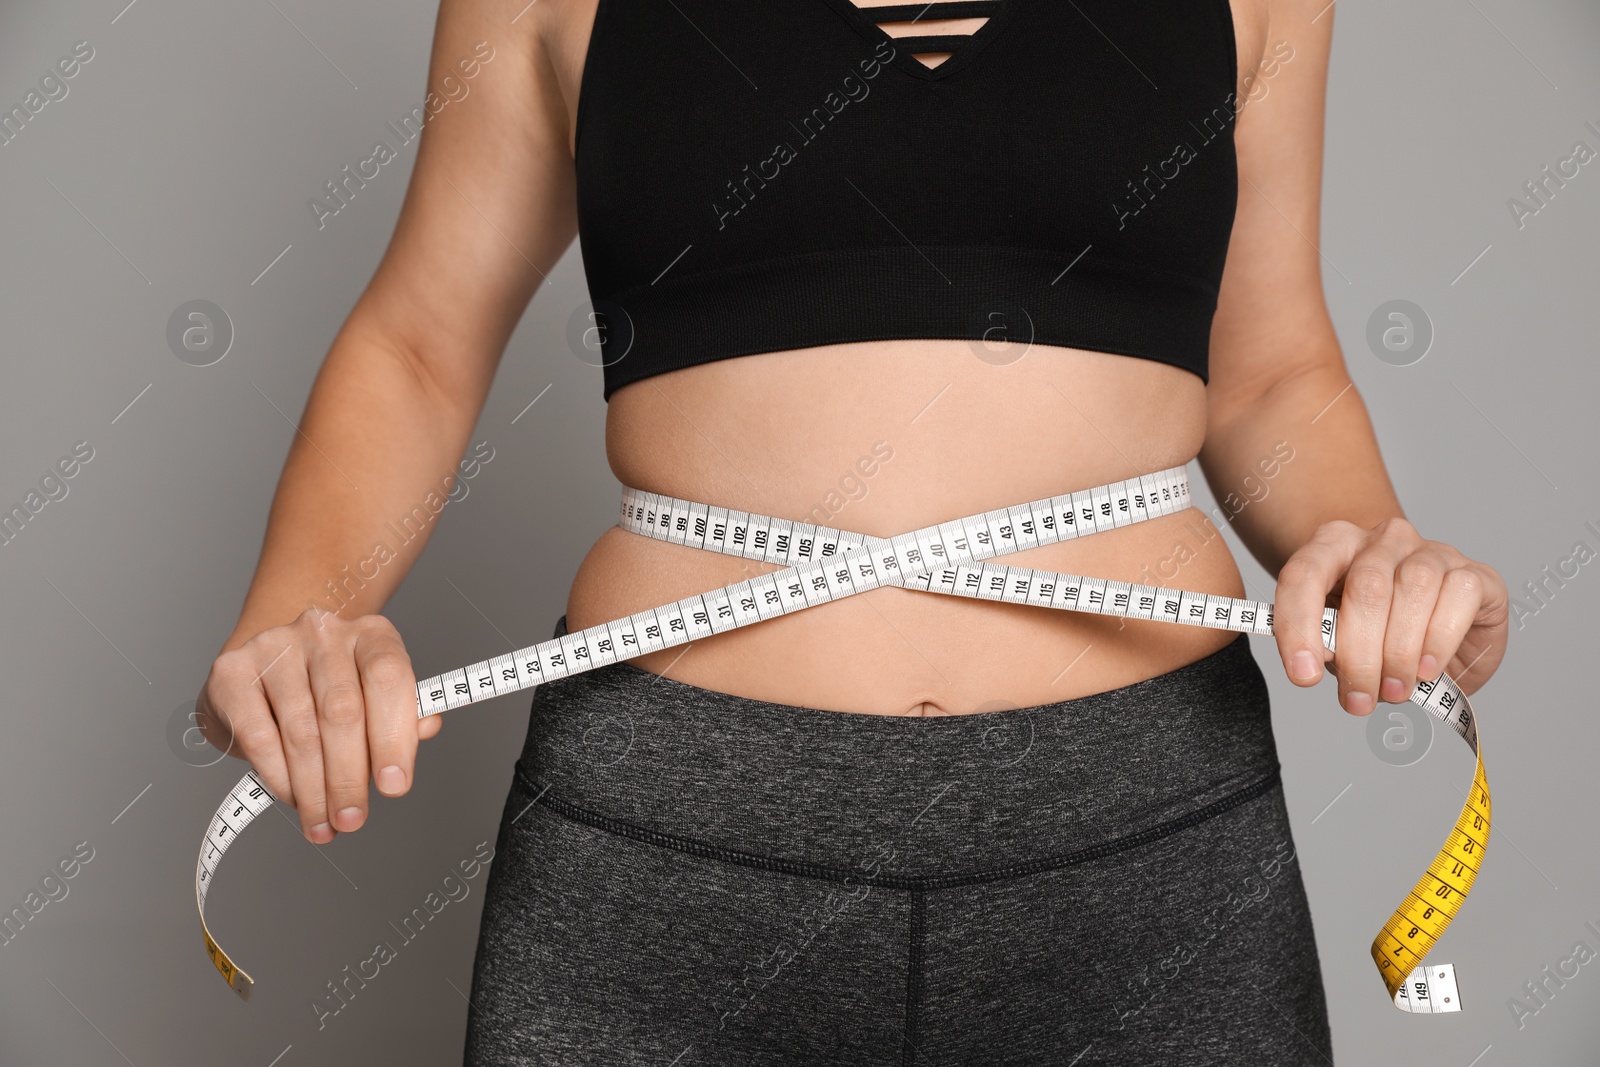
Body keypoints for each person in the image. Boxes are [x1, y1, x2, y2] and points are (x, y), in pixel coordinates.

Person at [196, 0, 1509, 1061]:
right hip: (664, 844)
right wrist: (296, 613)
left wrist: (1376, 551)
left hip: (1152, 838)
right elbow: (420, 341)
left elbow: (1274, 364)